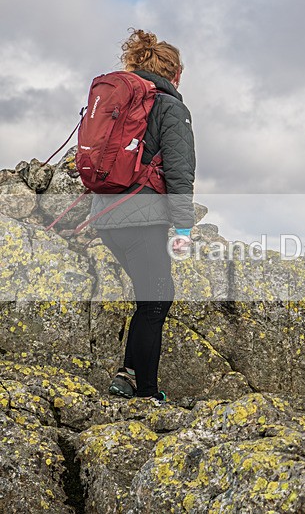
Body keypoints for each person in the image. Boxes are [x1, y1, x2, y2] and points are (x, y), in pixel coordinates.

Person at [93, 29, 196, 402]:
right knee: (156, 300)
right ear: (176, 73)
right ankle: (148, 395)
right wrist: (183, 227)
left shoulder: (118, 105)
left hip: (104, 217)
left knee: (149, 296)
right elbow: (180, 173)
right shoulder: (171, 108)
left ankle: (127, 374)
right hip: (142, 218)